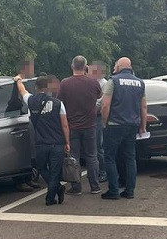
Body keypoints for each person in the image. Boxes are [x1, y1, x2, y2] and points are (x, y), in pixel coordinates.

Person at [14, 74, 70, 206]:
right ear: (48, 87)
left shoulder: (31, 100)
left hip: (41, 143)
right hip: (57, 142)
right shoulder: (58, 103)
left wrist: (18, 80)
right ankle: (53, 194)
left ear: (36, 87)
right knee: (55, 171)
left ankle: (53, 194)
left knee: (41, 167)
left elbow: (22, 91)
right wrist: (67, 142)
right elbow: (65, 125)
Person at [100, 57, 147, 200]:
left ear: (119, 66)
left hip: (114, 124)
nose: (114, 67)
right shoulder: (140, 83)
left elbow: (105, 105)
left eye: (115, 65)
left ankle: (113, 190)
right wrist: (143, 126)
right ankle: (130, 190)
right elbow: (143, 107)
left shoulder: (113, 81)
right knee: (130, 158)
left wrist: (104, 122)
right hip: (132, 125)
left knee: (109, 157)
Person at [59, 56, 103, 195]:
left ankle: (76, 187)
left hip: (72, 126)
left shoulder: (65, 83)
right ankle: (95, 186)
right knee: (92, 156)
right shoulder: (93, 82)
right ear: (86, 67)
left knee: (74, 157)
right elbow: (99, 95)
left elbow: (60, 101)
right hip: (90, 125)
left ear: (72, 66)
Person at [9, 59, 41, 192]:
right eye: (30, 68)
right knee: (22, 153)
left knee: (30, 153)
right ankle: (21, 181)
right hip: (17, 121)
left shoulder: (27, 82)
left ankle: (28, 178)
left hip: (28, 120)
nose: (32, 70)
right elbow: (16, 100)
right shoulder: (15, 83)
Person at [89, 61, 108, 184]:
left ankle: (103, 171)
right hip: (90, 116)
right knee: (92, 146)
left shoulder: (104, 84)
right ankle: (95, 171)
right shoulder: (92, 82)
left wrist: (89, 106)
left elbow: (100, 102)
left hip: (98, 116)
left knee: (98, 146)